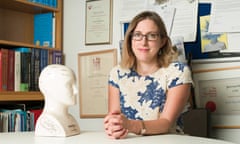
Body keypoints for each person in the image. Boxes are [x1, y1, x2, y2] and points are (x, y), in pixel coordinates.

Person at [104, 11, 193, 139]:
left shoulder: (178, 73)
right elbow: (115, 117)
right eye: (138, 35)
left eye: (152, 36)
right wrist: (113, 126)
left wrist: (130, 125)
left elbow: (166, 123)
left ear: (162, 41)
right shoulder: (117, 74)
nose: (144, 42)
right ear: (130, 40)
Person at [35, 64, 80, 137]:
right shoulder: (47, 121)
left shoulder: (71, 119)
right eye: (69, 85)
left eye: (74, 84)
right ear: (50, 88)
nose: (76, 91)